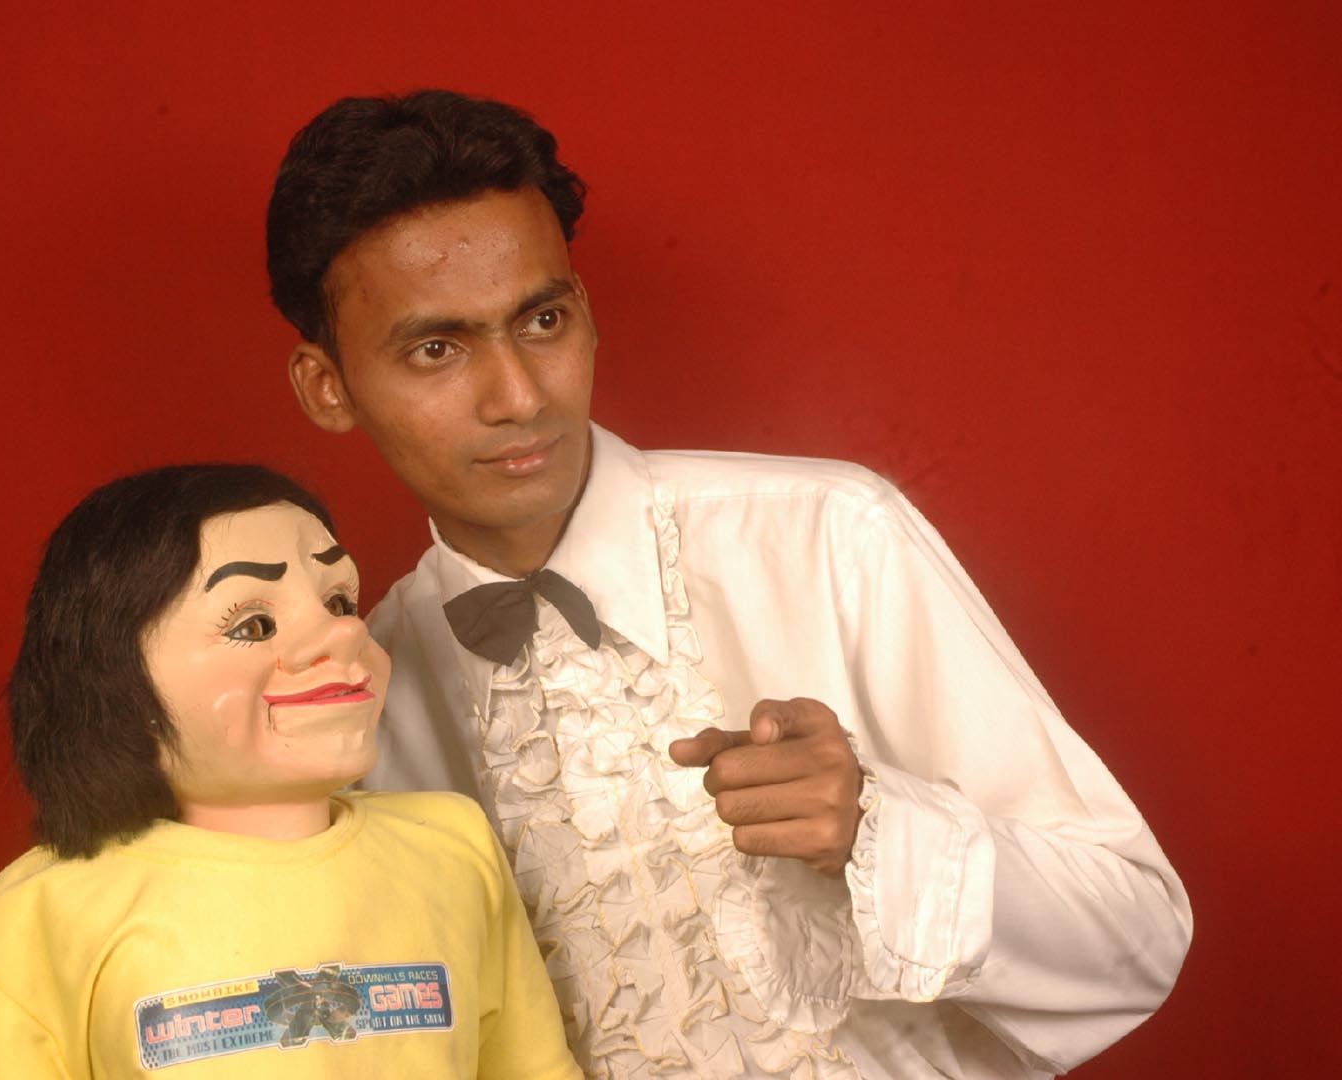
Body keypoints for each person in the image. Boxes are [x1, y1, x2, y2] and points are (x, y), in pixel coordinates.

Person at [272, 90, 1193, 1078]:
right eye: (436, 349)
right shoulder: (360, 692)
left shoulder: (828, 536)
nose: (519, 395)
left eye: (542, 320)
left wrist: (877, 831)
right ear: (328, 388)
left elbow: (1137, 936)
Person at [0, 464, 580, 1079]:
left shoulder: (451, 847)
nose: (345, 636)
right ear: (109, 682)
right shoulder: (45, 911)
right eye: (255, 624)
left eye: (339, 602)